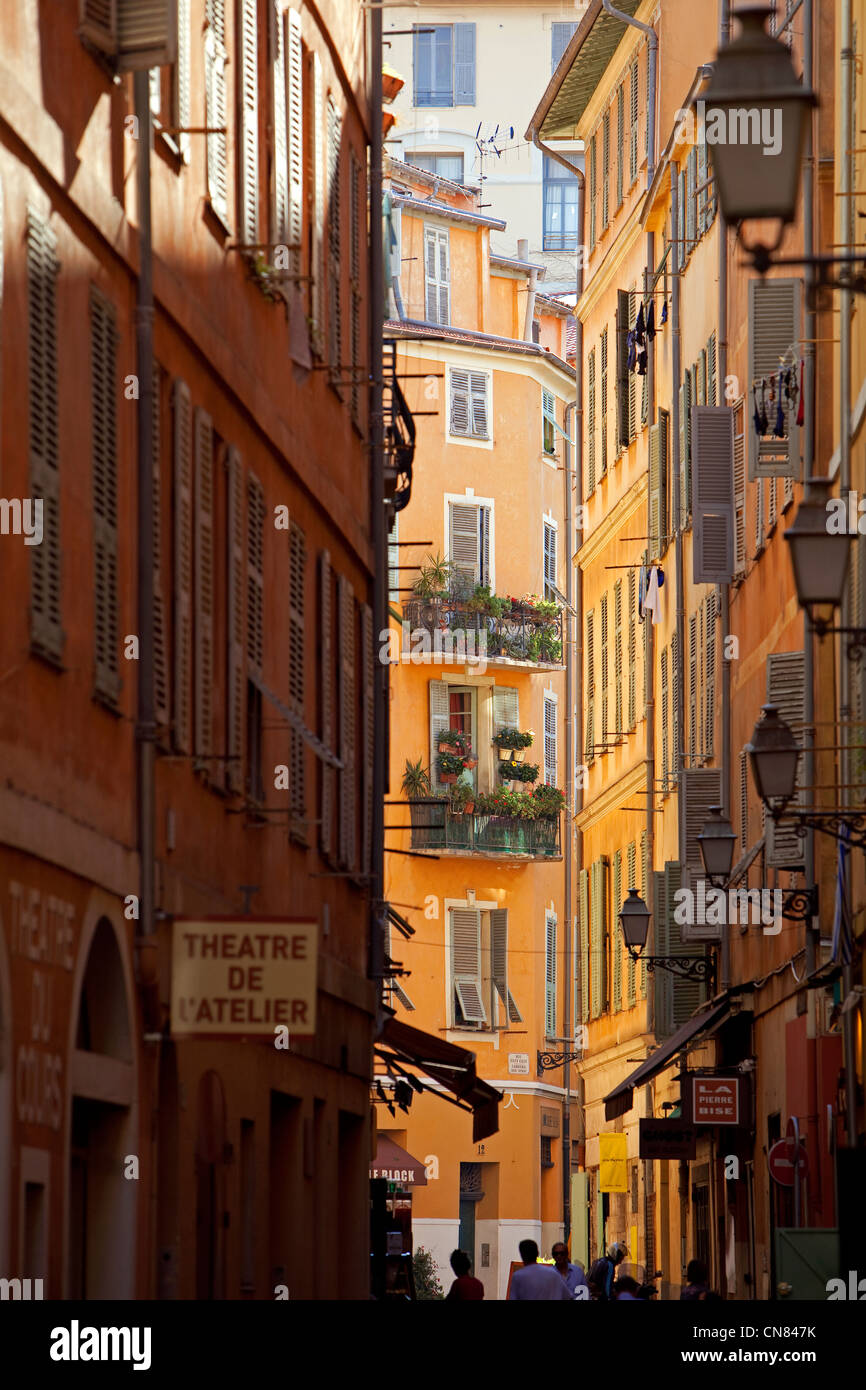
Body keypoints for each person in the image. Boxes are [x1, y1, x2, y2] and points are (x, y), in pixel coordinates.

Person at [508, 1239, 573, 1300]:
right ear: (537, 1253)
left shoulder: (518, 1276)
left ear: (521, 1255)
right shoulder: (553, 1273)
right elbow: (568, 1296)